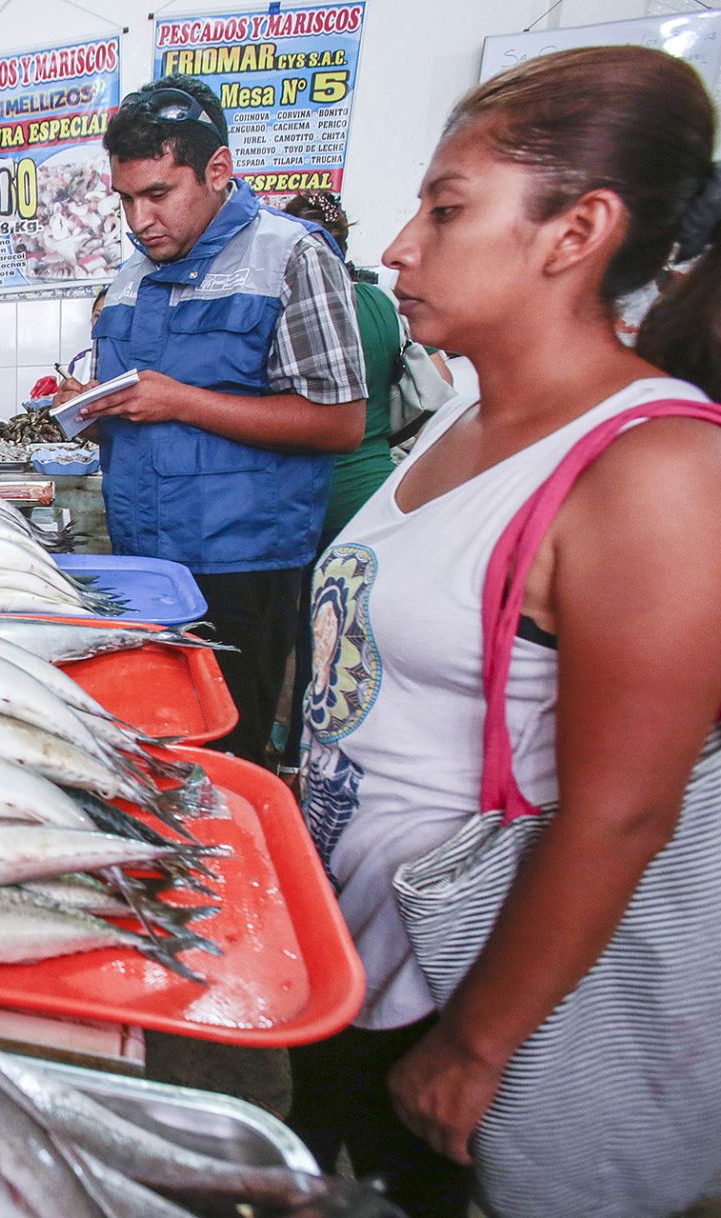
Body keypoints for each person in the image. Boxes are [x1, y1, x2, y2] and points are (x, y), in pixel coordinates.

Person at [290, 47, 721, 1217]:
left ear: (575, 230)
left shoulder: (656, 471)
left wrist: (476, 1048)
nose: (398, 246)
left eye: (446, 209)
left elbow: (624, 808)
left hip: (463, 981)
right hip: (355, 951)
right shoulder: (470, 415)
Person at [55, 75, 367, 762]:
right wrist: (94, 404)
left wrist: (179, 400)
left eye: (159, 194)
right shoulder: (130, 277)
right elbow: (141, 411)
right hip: (142, 562)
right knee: (153, 740)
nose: (139, 220)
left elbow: (338, 421)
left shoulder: (291, 255)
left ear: (218, 169)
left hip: (243, 568)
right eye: (126, 198)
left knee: (230, 746)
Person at [279, 191, 406, 540]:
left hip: (307, 499)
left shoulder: (286, 311)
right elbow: (439, 381)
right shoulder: (380, 302)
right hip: (374, 490)